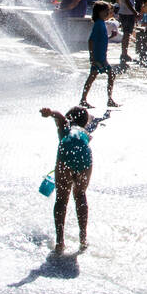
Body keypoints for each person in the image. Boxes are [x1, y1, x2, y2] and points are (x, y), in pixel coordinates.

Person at [40, 104, 101, 253]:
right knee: (80, 195)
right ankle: (83, 238)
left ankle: (60, 242)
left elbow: (59, 116)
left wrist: (51, 113)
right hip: (85, 158)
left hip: (65, 158)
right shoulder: (85, 132)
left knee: (61, 200)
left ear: (69, 117)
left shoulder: (65, 126)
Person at [80, 0, 119, 108]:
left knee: (92, 77)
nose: (107, 13)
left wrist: (111, 37)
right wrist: (92, 56)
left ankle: (83, 99)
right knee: (111, 75)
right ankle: (109, 100)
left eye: (108, 11)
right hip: (99, 58)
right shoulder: (98, 24)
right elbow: (91, 40)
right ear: (98, 12)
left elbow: (101, 39)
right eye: (105, 11)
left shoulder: (101, 23)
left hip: (101, 56)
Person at [116, 0, 139, 64]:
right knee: (127, 34)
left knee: (126, 33)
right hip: (128, 12)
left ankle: (124, 53)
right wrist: (135, 12)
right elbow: (127, 0)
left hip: (122, 11)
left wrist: (118, 5)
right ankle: (124, 54)